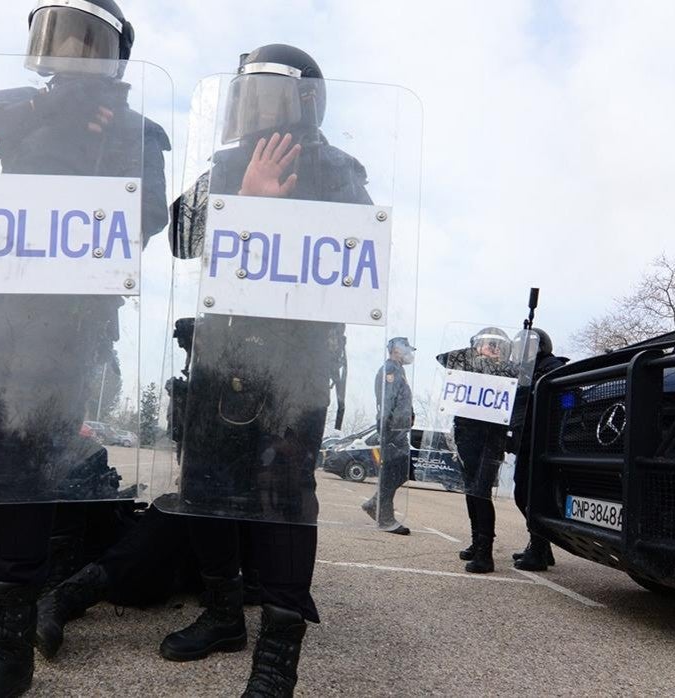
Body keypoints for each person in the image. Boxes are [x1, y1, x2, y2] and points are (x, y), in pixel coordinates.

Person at [0, 3, 171, 696]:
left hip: (69, 316)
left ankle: (9, 633)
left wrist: (94, 161)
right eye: (58, 31)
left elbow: (144, 221)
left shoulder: (138, 131)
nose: (68, 49)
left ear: (114, 52)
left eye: (86, 37)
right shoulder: (19, 102)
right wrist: (39, 115)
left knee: (20, 458)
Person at [158, 44, 370, 697]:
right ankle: (224, 614)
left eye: (270, 95)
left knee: (282, 495)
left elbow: (360, 254)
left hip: (297, 364)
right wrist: (240, 198)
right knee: (205, 485)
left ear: (308, 99)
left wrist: (269, 210)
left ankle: (278, 654)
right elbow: (179, 240)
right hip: (223, 354)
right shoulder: (224, 162)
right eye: (247, 96)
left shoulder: (336, 170)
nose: (256, 111)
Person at [437, 328, 518, 574]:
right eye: (487, 344)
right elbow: (443, 358)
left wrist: (491, 359)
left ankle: (486, 553)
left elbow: (517, 375)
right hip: (466, 433)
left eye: (498, 346)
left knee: (481, 492)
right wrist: (475, 353)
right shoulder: (466, 362)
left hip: (491, 437)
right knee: (471, 491)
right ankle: (476, 541)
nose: (492, 350)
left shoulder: (508, 371)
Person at [512, 328, 569, 571]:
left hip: (543, 444)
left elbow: (567, 400)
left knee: (534, 496)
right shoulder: (522, 371)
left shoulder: (551, 366)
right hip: (525, 443)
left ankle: (538, 549)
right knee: (521, 494)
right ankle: (542, 546)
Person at [362, 337, 415, 535]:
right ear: (396, 350)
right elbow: (387, 402)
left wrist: (410, 415)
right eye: (406, 349)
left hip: (398, 428)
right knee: (395, 471)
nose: (410, 353)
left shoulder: (398, 370)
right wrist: (387, 429)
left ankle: (375, 503)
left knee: (401, 470)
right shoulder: (390, 370)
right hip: (392, 429)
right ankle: (384, 517)